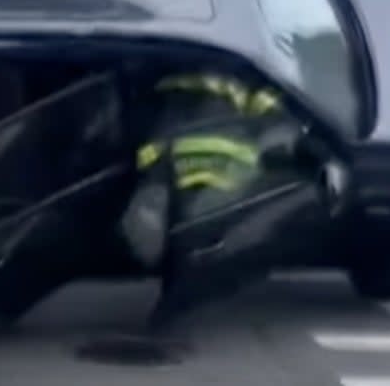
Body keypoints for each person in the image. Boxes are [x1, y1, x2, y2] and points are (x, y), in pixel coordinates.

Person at [119, 70, 285, 328]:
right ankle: (177, 304)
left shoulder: (172, 77)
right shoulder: (246, 75)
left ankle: (171, 305)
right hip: (224, 171)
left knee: (177, 236)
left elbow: (150, 123)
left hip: (174, 167)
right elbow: (274, 117)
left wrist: (152, 168)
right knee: (206, 236)